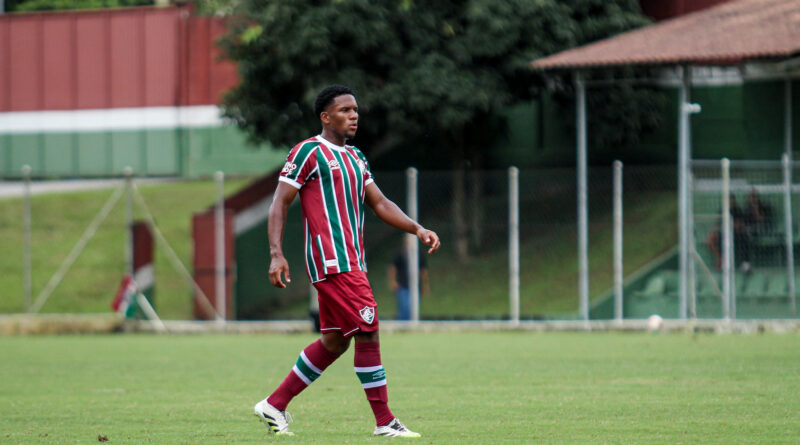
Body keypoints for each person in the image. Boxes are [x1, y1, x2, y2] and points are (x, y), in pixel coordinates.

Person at [254, 85, 441, 438]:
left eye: (355, 109)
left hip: (353, 260)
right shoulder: (308, 151)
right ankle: (385, 421)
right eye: (345, 110)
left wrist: (417, 228)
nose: (354, 115)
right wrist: (276, 253)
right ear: (326, 117)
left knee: (336, 341)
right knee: (368, 331)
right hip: (333, 261)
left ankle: (274, 405)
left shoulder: (356, 157)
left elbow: (381, 203)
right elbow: (280, 202)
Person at [706, 194, 752, 271]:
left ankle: (745, 263)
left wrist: (731, 225)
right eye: (728, 200)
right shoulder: (723, 210)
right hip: (724, 233)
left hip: (737, 233)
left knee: (744, 239)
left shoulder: (738, 210)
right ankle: (722, 261)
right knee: (712, 240)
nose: (730, 202)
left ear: (734, 201)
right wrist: (712, 231)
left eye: (731, 200)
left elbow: (739, 225)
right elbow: (718, 223)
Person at [388, 236, 430, 321]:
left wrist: (425, 285)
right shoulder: (400, 254)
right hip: (403, 285)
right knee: (404, 307)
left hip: (417, 286)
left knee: (413, 308)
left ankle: (412, 324)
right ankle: (402, 326)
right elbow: (393, 269)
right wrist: (393, 281)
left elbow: (423, 271)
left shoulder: (419, 255)